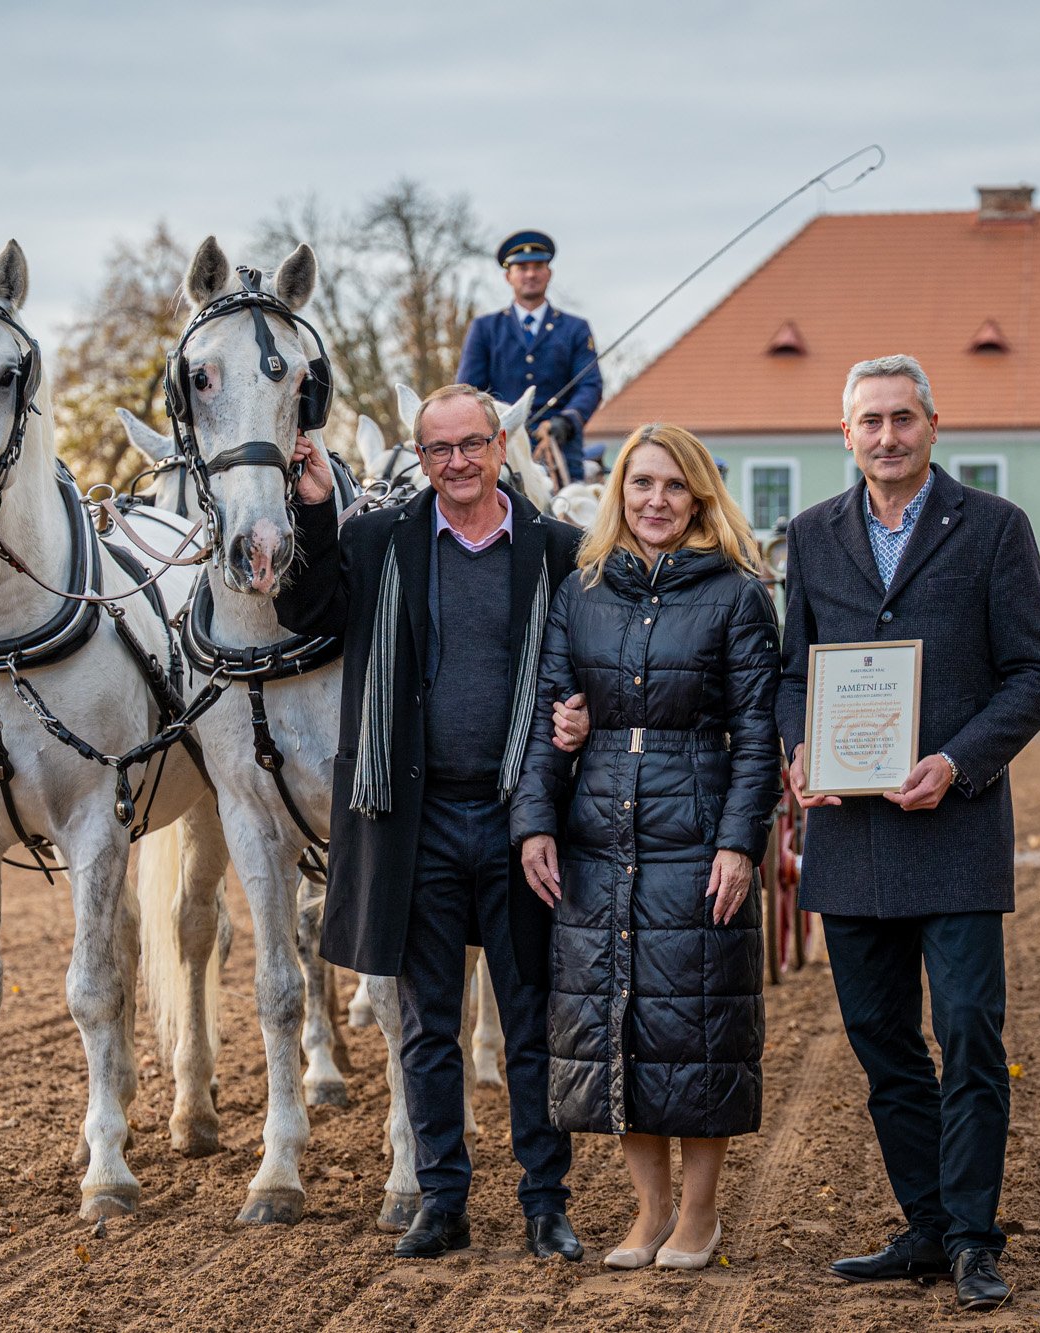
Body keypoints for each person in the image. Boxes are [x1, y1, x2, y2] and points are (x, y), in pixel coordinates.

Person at [777, 355, 1040, 1313]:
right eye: (872, 421)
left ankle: (977, 1236)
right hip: (852, 841)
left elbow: (1036, 674)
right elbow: (790, 670)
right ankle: (928, 1225)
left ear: (934, 427)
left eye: (905, 419)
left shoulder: (992, 529)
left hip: (957, 829)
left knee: (972, 1031)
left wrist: (957, 761)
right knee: (881, 1040)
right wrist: (802, 741)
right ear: (845, 432)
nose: (888, 436)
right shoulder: (812, 536)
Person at [276, 383, 586, 1261]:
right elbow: (306, 613)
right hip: (414, 821)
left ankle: (543, 1199)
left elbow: (590, 655)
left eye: (471, 445)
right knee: (427, 1024)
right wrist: (312, 511)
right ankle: (442, 1196)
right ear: (421, 457)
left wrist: (585, 710)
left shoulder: (556, 549)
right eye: (438, 447)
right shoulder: (377, 542)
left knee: (531, 1019)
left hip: (524, 818)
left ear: (499, 447)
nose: (456, 461)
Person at [511, 423, 780, 1270]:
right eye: (640, 485)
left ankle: (699, 1216)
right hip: (598, 837)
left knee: (693, 1027)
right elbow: (550, 715)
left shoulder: (737, 595)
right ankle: (649, 1211)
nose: (655, 501)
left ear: (698, 496)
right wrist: (534, 822)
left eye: (672, 486)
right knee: (616, 1024)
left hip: (695, 832)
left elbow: (758, 736)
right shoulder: (582, 591)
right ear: (619, 493)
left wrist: (741, 844)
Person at [455, 230, 602, 483]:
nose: (531, 274)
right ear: (508, 276)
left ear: (549, 273)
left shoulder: (575, 328)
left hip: (561, 450)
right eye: (522, 268)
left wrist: (567, 421)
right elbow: (468, 392)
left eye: (538, 266)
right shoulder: (485, 329)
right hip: (502, 451)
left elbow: (590, 385)